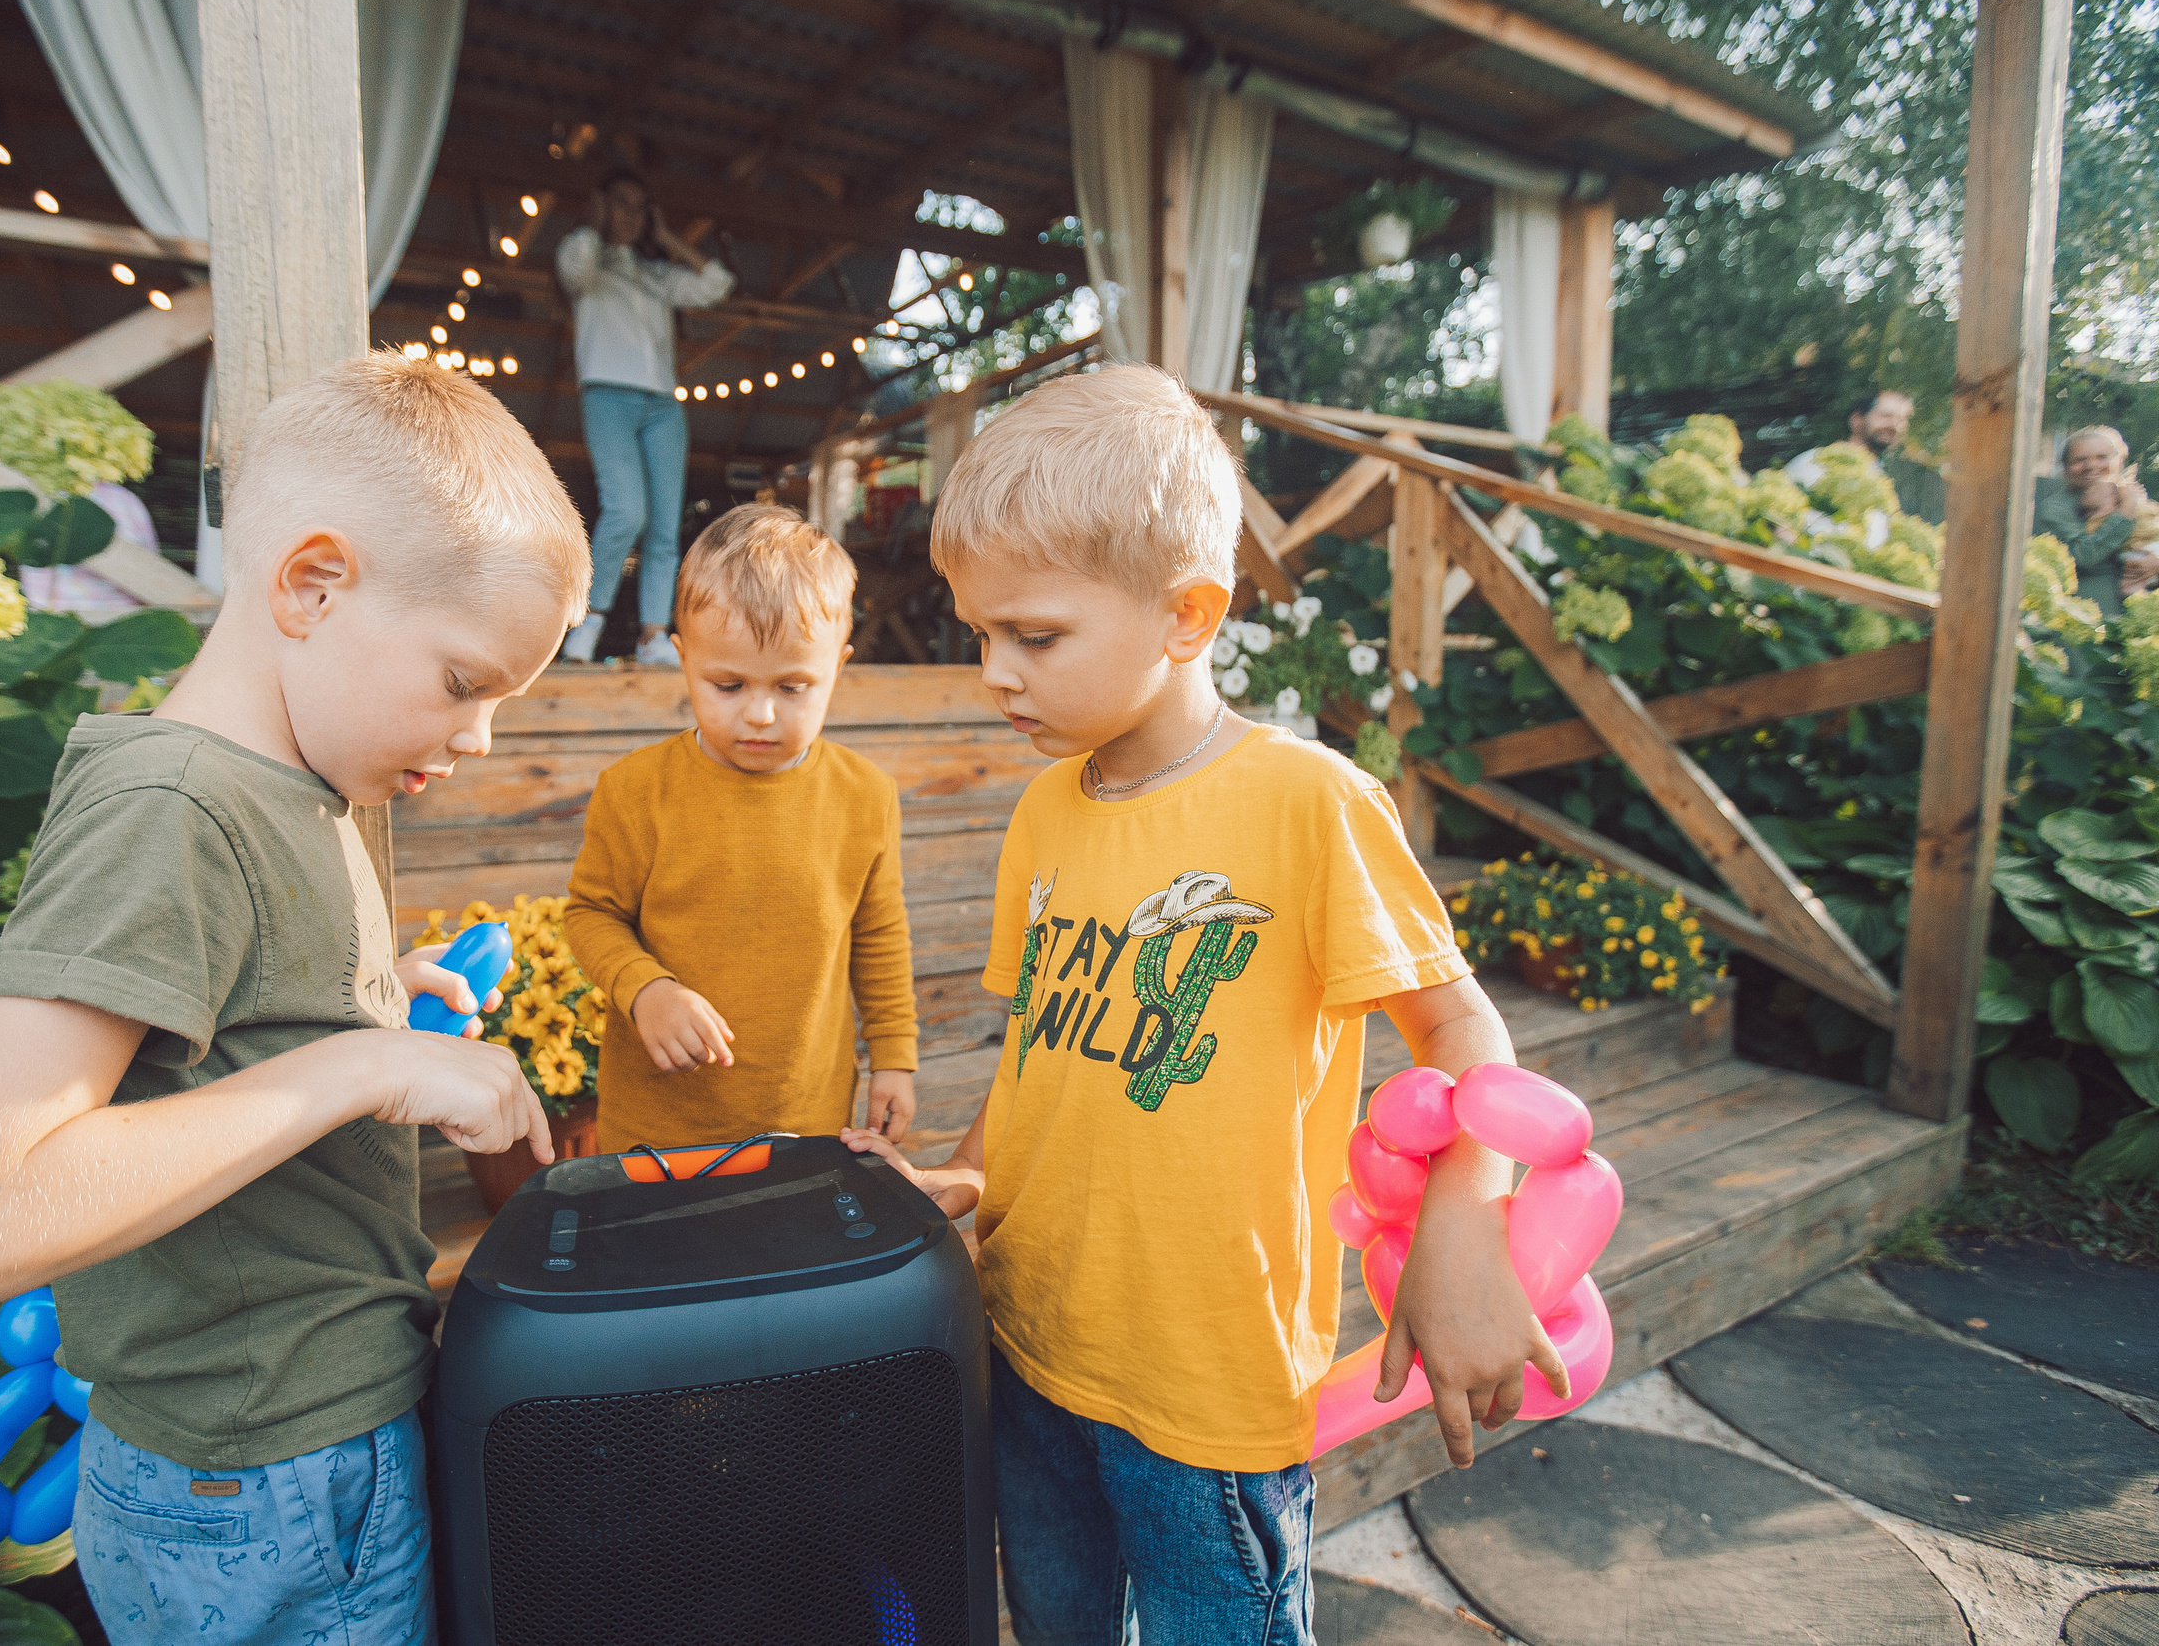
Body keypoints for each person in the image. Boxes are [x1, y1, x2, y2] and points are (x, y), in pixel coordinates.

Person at [844, 365, 1564, 1646]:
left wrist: (1467, 1223)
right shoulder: (1043, 810)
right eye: (979, 635)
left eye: (1035, 636)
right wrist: (964, 1176)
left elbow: (1464, 1032)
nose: (995, 673)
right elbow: (1043, 1048)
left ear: (1186, 615)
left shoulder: (1310, 803)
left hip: (1205, 1395)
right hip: (1029, 1344)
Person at [0, 353, 591, 1643]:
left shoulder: (294, 795)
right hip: (259, 1481)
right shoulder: (172, 809)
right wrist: (358, 1067)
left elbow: (209, 1044)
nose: (479, 735)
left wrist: (367, 1010)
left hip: (296, 1453)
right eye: (463, 682)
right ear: (312, 585)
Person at [565, 503, 919, 1153]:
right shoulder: (636, 790)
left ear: (837, 668)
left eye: (793, 687)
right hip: (658, 1129)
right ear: (683, 658)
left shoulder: (865, 796)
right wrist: (646, 990)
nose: (759, 713)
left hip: (806, 1117)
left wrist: (894, 1056)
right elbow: (591, 914)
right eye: (727, 685)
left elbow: (878, 933)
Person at [554, 168, 736, 669]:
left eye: (640, 205)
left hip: (663, 405)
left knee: (663, 525)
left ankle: (654, 635)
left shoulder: (656, 274)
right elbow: (577, 268)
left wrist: (668, 237)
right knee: (625, 511)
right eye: (621, 202)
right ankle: (588, 621)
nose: (631, 214)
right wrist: (597, 220)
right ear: (602, 204)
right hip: (607, 395)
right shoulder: (583, 257)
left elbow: (717, 284)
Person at [2034, 424, 2159, 619]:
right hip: (2089, 615)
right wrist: (2125, 514)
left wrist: (2156, 561)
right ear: (2065, 468)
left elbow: (2151, 535)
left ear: (2119, 461)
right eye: (2080, 460)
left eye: (2102, 457)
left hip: (2136, 615)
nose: (2091, 466)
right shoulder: (2055, 509)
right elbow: (2083, 556)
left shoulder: (2129, 496)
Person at [1787, 388, 1947, 525]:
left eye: (1902, 419)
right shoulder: (1815, 462)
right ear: (1856, 420)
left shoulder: (1881, 481)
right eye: (1886, 416)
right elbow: (1784, 521)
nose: (1895, 426)